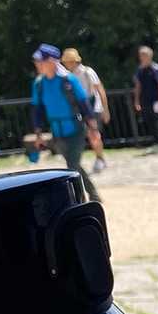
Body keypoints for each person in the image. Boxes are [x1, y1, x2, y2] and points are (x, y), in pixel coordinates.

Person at [30, 43, 102, 203]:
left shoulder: (69, 80)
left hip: (76, 129)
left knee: (72, 165)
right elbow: (37, 110)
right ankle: (93, 194)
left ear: (51, 61)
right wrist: (38, 134)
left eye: (40, 61)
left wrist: (93, 129)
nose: (37, 64)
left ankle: (79, 200)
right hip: (57, 132)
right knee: (73, 165)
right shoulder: (39, 84)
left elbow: (84, 105)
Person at [61, 48, 110, 172]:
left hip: (93, 107)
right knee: (88, 135)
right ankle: (98, 158)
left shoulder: (87, 72)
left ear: (73, 62)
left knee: (94, 134)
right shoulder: (68, 76)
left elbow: (100, 90)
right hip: (81, 108)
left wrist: (105, 109)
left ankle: (100, 158)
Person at [133, 45, 158, 149]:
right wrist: (136, 101)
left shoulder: (156, 68)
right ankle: (156, 143)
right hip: (145, 100)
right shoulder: (139, 70)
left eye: (144, 55)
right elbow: (138, 86)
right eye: (141, 55)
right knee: (149, 122)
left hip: (156, 100)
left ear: (150, 56)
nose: (142, 57)